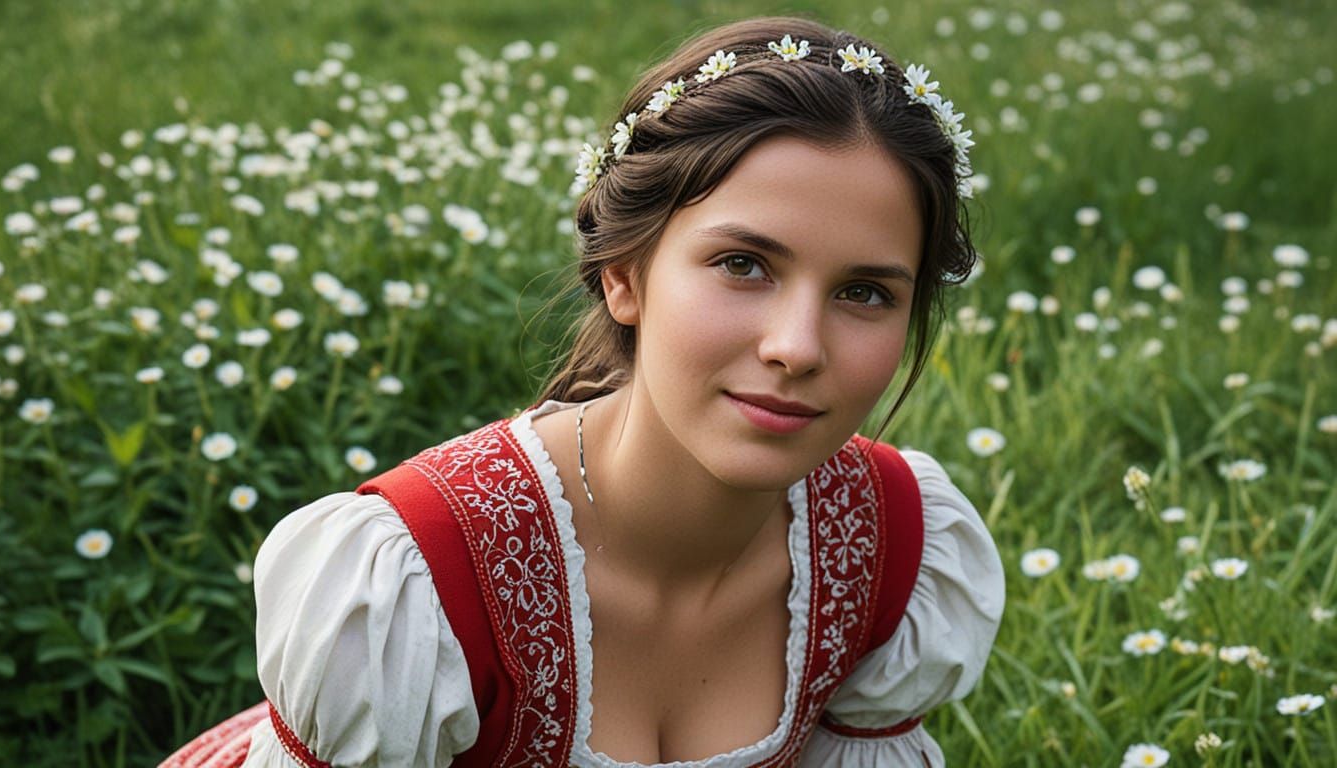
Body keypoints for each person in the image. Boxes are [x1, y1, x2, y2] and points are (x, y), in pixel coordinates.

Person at [162, 15, 1003, 768]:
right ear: (622, 277)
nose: (796, 348)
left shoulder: (889, 545)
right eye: (742, 265)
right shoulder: (423, 585)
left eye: (865, 293)